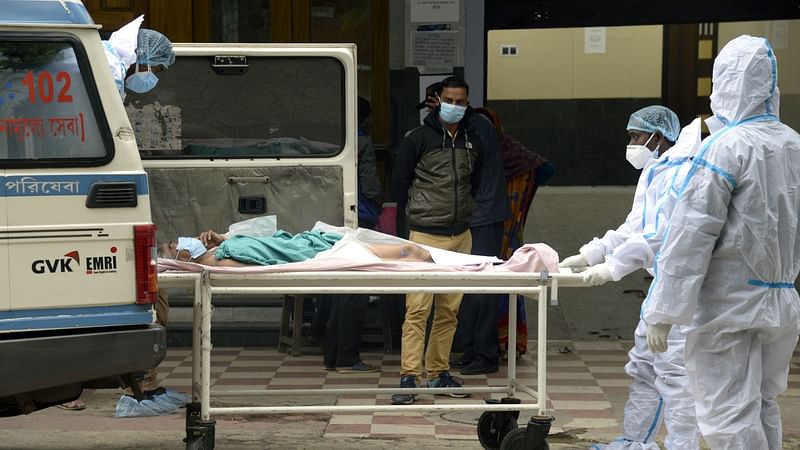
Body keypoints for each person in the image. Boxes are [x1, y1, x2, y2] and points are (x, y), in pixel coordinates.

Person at [643, 35, 800, 450]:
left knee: (727, 415)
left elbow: (691, 235)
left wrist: (663, 309)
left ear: (725, 83)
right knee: (763, 403)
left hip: (728, 305)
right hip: (781, 302)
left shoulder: (725, 148)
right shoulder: (793, 144)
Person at [560, 105, 689, 449]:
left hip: (682, 288)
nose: (631, 144)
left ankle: (682, 444)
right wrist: (593, 252)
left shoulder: (681, 172)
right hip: (660, 286)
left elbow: (659, 235)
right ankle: (636, 441)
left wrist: (613, 268)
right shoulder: (654, 171)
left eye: (636, 137)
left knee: (674, 375)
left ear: (658, 137)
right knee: (645, 366)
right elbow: (634, 226)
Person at [389, 76, 483, 405]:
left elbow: (480, 182)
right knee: (417, 310)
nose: (455, 106)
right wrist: (401, 235)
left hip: (461, 236)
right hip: (424, 235)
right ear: (436, 100)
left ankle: (439, 372)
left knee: (449, 312)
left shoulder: (472, 138)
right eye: (450, 100)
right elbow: (398, 186)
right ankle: (409, 376)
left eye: (461, 102)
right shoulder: (417, 138)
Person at [473, 107, 554, 360]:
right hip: (503, 231)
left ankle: (503, 340)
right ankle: (505, 340)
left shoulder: (493, 151)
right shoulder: (497, 150)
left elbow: (543, 169)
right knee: (504, 278)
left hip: (500, 231)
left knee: (499, 277)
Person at [316, 96, 384, 373]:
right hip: (359, 219)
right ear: (365, 118)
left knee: (338, 288)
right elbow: (370, 186)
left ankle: (333, 354)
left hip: (332, 221)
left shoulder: (329, 141)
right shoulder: (362, 142)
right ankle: (347, 357)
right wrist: (378, 204)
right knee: (354, 291)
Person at [102, 15, 175, 100]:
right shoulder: (112, 69)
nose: (153, 76)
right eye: (156, 70)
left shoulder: (114, 64)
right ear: (143, 55)